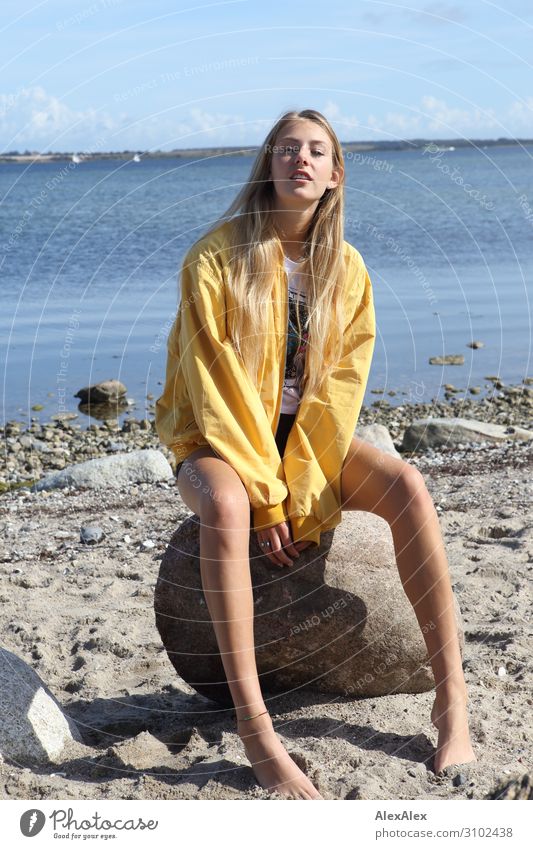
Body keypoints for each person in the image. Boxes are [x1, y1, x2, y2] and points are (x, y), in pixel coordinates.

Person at [155, 108, 476, 800]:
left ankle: (450, 696)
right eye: (287, 148)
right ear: (268, 163)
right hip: (217, 440)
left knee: (409, 486)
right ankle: (256, 729)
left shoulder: (346, 269)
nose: (301, 159)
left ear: (334, 175)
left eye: (317, 151)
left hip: (305, 443)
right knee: (226, 502)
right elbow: (217, 390)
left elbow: (337, 396)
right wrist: (268, 493)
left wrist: (300, 485)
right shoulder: (214, 257)